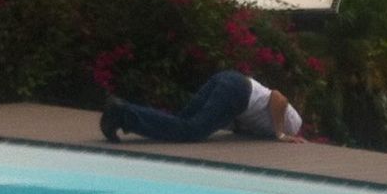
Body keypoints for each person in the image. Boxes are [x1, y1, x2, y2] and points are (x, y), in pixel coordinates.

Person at [101, 70, 306, 143]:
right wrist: (281, 134)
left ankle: (122, 114)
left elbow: (250, 118)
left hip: (229, 80)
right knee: (190, 132)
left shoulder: (263, 133)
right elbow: (279, 98)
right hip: (238, 92)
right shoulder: (294, 125)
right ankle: (122, 113)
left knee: (181, 124)